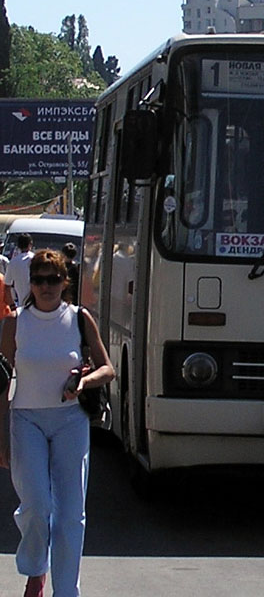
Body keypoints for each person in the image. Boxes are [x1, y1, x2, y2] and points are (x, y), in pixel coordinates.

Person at [0, 250, 115, 597]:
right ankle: (36, 568)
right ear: (29, 283)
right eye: (39, 279)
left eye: (53, 279)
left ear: (65, 282)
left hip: (69, 421)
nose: (46, 286)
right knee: (36, 505)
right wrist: (0, 439)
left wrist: (83, 381)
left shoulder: (79, 318)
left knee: (69, 516)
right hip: (26, 419)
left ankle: (66, 591)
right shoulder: (14, 323)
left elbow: (108, 368)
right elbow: (2, 383)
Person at [7, 234, 35, 308]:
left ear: (18, 246)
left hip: (21, 305)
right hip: (38, 304)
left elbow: (7, 286)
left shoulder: (13, 262)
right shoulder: (36, 259)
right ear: (30, 244)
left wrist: (12, 306)